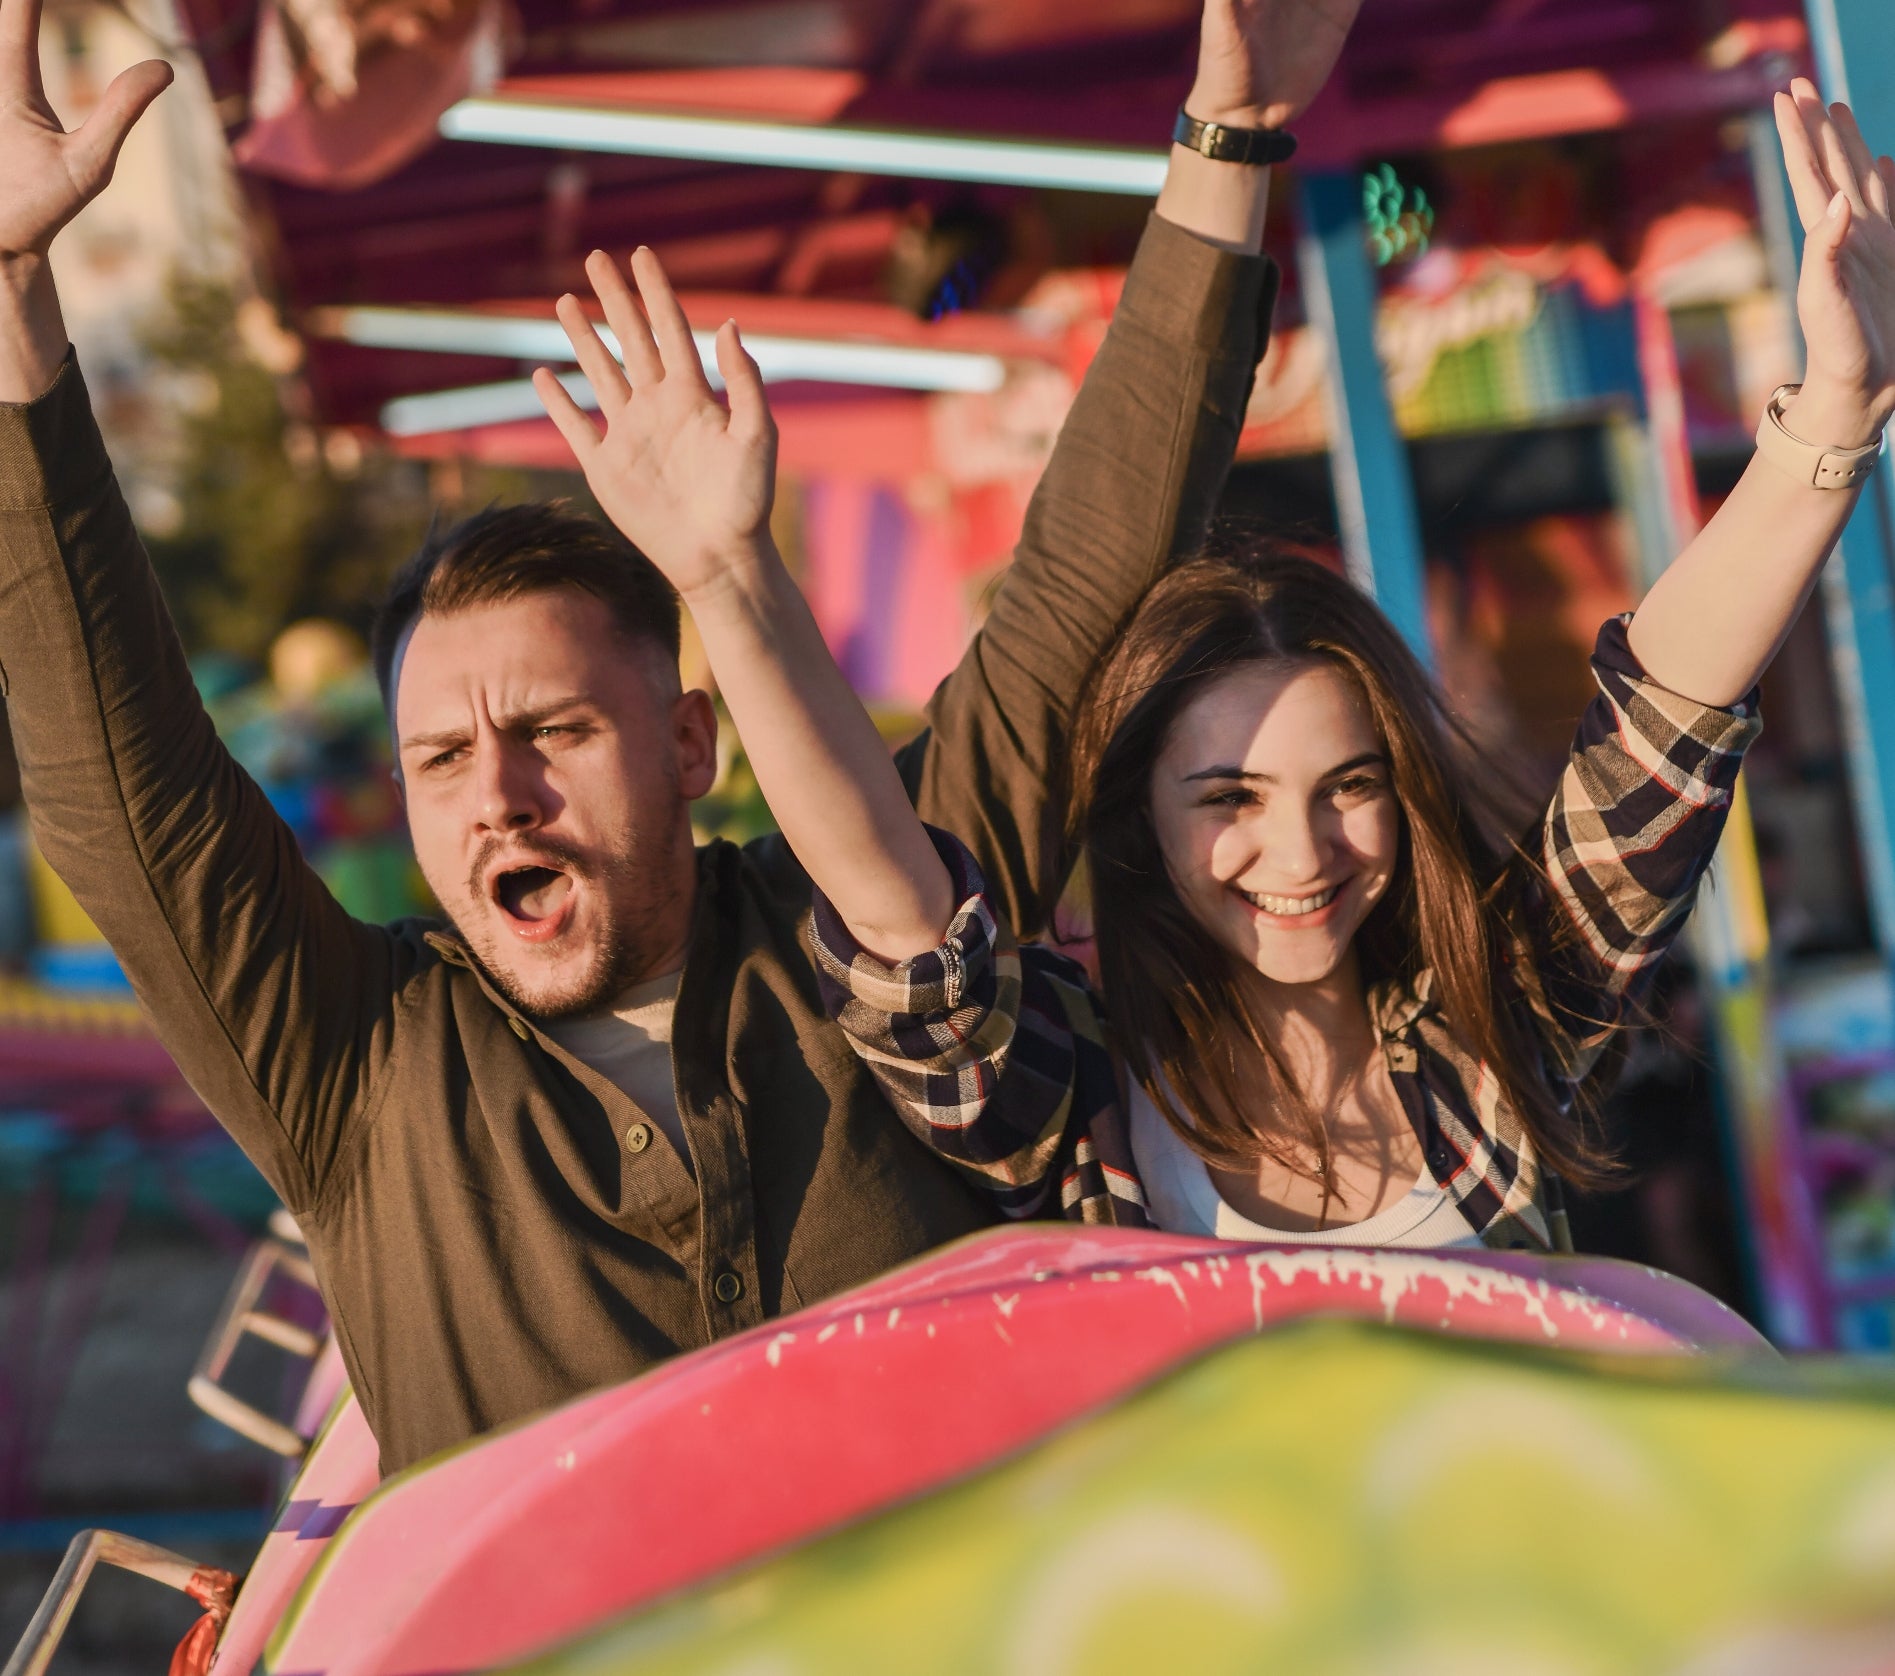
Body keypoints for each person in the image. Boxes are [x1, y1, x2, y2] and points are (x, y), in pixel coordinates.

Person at [0, 0, 1365, 1469]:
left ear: (691, 745)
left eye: (552, 730)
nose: (502, 800)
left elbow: (1082, 600)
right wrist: (10, 304)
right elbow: (122, 785)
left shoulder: (871, 922)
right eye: (444, 762)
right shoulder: (356, 1063)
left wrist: (1228, 142)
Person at [559, 80, 1895, 1256]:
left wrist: (1826, 422)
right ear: (1144, 812)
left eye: (1349, 782)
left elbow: (1653, 745)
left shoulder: (1498, 1022)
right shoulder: (1084, 1103)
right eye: (1231, 800)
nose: (1301, 851)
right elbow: (903, 929)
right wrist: (730, 581)